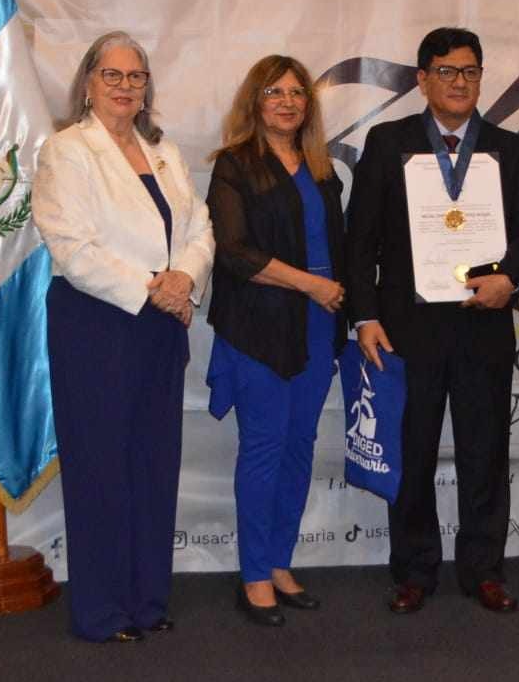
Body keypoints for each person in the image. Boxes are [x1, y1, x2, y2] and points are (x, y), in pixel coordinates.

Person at [345, 27, 519, 615]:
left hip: (484, 324)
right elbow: (360, 239)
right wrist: (365, 315)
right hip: (406, 330)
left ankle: (484, 569)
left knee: (486, 452)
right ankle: (414, 570)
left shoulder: (509, 148)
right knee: (411, 453)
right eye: (447, 71)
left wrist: (510, 278)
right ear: (422, 79)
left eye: (470, 71)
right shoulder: (388, 142)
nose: (460, 82)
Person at [31, 31, 215, 642]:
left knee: (153, 466)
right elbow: (72, 247)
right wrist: (154, 288)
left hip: (160, 327)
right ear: (88, 83)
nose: (125, 86)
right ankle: (102, 611)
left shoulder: (163, 150)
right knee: (101, 469)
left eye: (136, 76)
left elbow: (200, 226)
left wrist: (184, 278)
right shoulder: (66, 151)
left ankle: (148, 600)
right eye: (112, 75)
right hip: (96, 327)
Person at [205, 55, 347, 628]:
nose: (287, 102)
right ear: (254, 101)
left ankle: (280, 562)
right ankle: (254, 574)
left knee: (299, 447)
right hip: (259, 328)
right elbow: (234, 253)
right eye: (274, 92)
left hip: (318, 325)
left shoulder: (322, 168)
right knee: (264, 449)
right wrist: (310, 284)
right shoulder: (234, 165)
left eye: (296, 92)